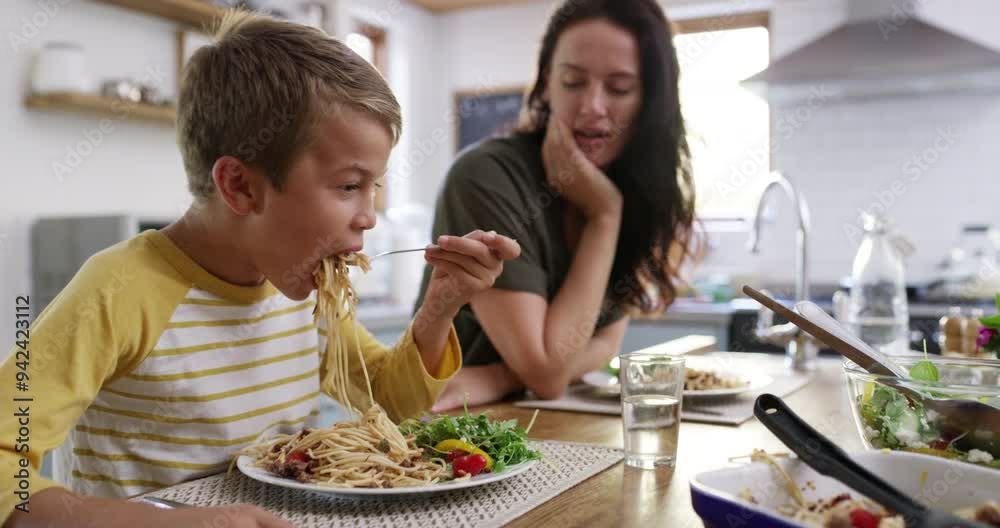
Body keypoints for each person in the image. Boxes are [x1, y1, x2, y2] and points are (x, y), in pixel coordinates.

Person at [0, 11, 519, 528]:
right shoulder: (116, 291)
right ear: (241, 186)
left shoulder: (308, 292)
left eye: (373, 188)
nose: (368, 216)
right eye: (347, 185)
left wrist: (440, 306)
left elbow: (389, 399)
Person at [420, 0, 695, 411]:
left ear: (650, 101)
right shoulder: (485, 176)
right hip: (453, 436)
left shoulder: (626, 186)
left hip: (535, 423)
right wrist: (605, 215)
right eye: (573, 82)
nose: (592, 107)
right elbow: (547, 373)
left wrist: (501, 377)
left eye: (619, 88)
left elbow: (606, 340)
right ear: (547, 82)